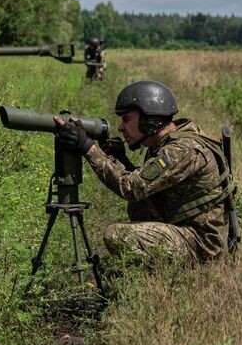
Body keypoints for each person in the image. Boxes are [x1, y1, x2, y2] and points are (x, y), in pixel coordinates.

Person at [54, 80, 230, 264]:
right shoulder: (169, 143)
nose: (121, 127)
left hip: (202, 245)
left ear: (148, 119)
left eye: (126, 119)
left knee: (117, 235)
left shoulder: (181, 149)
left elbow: (130, 187)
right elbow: (145, 185)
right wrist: (120, 159)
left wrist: (87, 148)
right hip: (187, 228)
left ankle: (180, 270)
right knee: (139, 204)